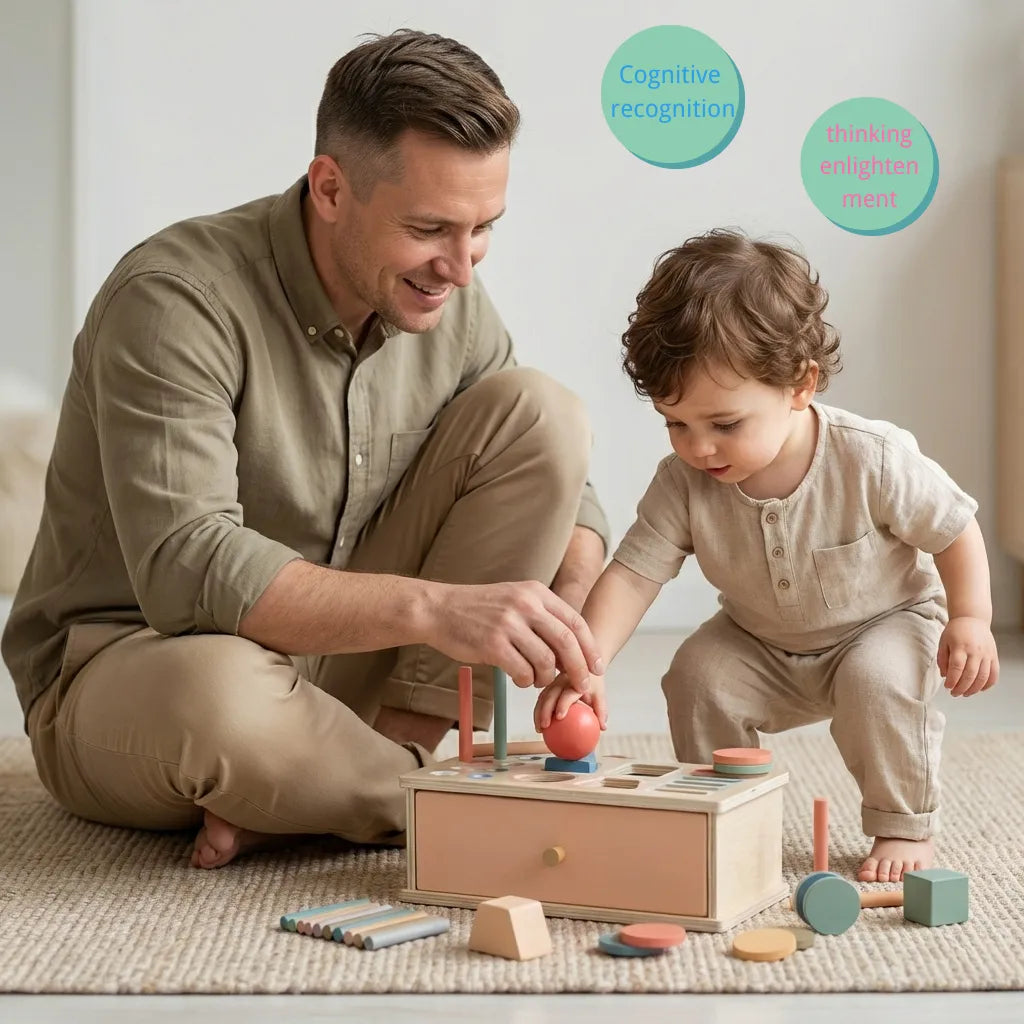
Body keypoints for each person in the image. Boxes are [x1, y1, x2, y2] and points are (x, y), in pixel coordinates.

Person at [1, 29, 610, 869]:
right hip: (139, 672)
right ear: (330, 188)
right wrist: (437, 610)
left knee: (544, 412)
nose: (461, 269)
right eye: (429, 227)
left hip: (338, 672)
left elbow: (556, 485)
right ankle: (413, 798)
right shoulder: (175, 300)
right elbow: (187, 566)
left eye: (483, 228)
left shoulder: (448, 301)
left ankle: (339, 785)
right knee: (220, 698)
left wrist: (570, 625)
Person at [533, 228, 999, 884]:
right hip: (759, 642)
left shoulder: (871, 458)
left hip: (882, 627)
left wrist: (971, 618)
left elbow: (953, 529)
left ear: (799, 386)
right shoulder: (684, 482)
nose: (699, 447)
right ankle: (725, 816)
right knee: (697, 675)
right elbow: (634, 574)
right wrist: (588, 662)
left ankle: (902, 821)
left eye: (725, 424)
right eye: (676, 423)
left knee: (877, 680)